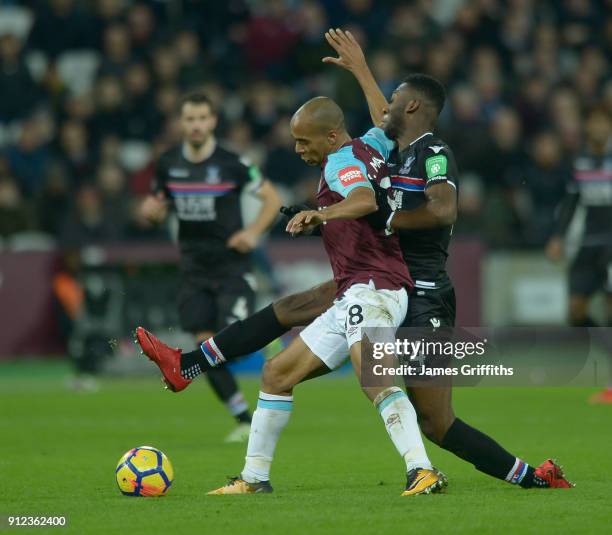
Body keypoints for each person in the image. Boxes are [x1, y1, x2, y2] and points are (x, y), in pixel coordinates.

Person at [137, 30, 572, 490]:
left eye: (397, 98)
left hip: (419, 290)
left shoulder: (431, 153)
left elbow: (433, 208)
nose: (387, 107)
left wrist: (360, 216)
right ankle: (206, 395)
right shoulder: (384, 148)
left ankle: (441, 471)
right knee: (286, 338)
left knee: (432, 417)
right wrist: (361, 68)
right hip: (375, 276)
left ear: (411, 107)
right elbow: (377, 125)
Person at [139, 95, 447, 496]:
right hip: (358, 287)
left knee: (376, 379)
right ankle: (253, 478)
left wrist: (322, 214)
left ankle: (422, 470)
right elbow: (387, 123)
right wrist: (359, 68)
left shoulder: (340, 162)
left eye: (304, 141)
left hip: (374, 288)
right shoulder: (370, 144)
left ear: (332, 136)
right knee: (277, 373)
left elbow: (363, 200)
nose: (298, 149)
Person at [140, 91, 282, 442]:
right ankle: (244, 419)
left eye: (202, 118)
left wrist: (253, 232)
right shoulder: (168, 164)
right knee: (206, 347)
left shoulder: (233, 163)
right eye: (189, 119)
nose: (196, 125)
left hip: (232, 267)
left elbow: (273, 198)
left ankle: (264, 340)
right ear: (181, 124)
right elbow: (156, 204)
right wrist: (151, 212)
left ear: (213, 121)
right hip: (193, 269)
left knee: (226, 344)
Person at [546, 106, 612, 404]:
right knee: (575, 312)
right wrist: (558, 237)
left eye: (602, 123)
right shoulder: (581, 161)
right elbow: (572, 201)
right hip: (588, 244)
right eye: (593, 122)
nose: (597, 128)